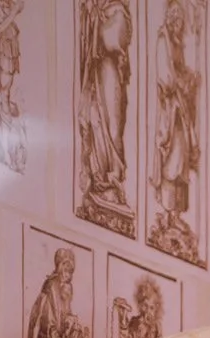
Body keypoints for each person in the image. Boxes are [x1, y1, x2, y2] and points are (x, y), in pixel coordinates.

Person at [151, 0, 200, 255]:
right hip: (171, 112)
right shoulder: (163, 40)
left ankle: (177, 213)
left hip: (181, 112)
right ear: (169, 18)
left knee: (181, 166)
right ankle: (169, 214)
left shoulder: (178, 46)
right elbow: (166, 78)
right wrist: (181, 84)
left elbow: (179, 73)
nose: (178, 24)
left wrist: (188, 80)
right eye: (175, 18)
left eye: (181, 20)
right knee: (173, 161)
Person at [78, 0, 134, 216]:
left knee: (111, 125)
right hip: (98, 72)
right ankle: (100, 176)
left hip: (111, 74)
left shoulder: (119, 12)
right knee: (96, 119)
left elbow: (112, 41)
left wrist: (98, 21)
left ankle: (113, 175)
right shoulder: (102, 11)